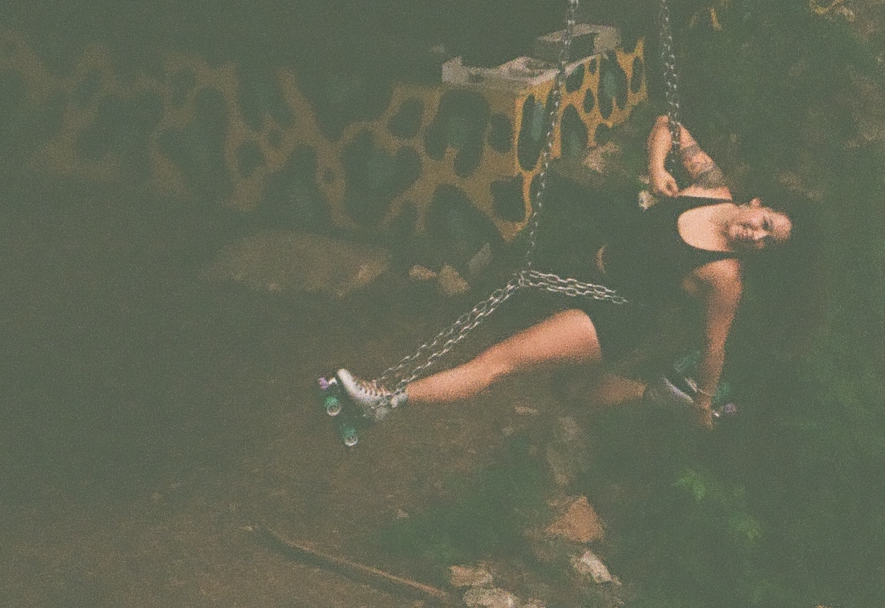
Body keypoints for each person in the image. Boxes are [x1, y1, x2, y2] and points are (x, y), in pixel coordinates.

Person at [324, 166, 792, 435]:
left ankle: (384, 401)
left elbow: (713, 346)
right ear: (757, 204)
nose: (758, 235)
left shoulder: (725, 275)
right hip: (588, 275)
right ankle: (655, 397)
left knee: (497, 363)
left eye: (768, 243)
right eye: (766, 223)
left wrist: (703, 406)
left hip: (613, 316)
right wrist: (656, 165)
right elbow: (669, 125)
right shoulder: (710, 188)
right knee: (570, 389)